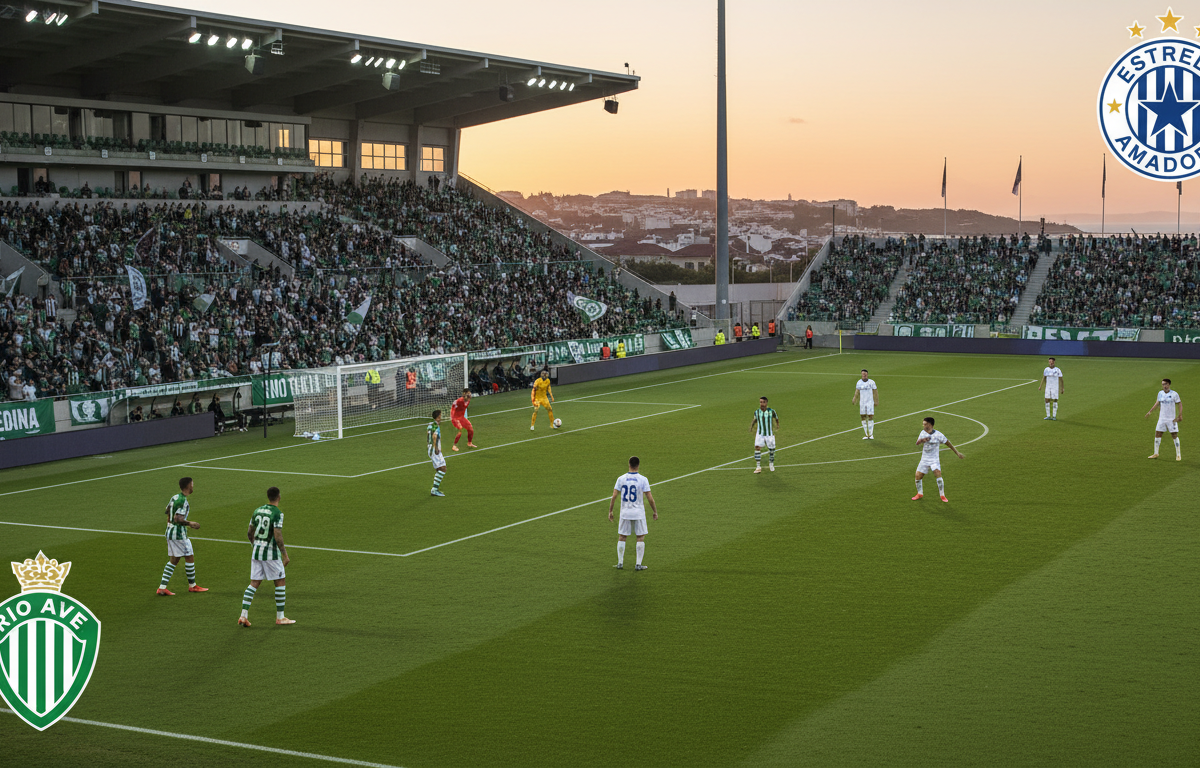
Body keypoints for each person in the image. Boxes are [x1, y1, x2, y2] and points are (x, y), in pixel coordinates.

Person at [238, 486, 293, 627]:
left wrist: (255, 546)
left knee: (254, 583)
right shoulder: (277, 513)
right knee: (280, 581)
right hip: (271, 553)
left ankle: (243, 615)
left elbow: (249, 532)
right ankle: (280, 617)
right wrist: (284, 554)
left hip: (256, 552)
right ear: (279, 497)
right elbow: (278, 535)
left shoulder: (257, 511)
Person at [156, 476, 208, 596]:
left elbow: (167, 510)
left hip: (170, 532)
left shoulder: (175, 497)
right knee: (189, 556)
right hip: (179, 535)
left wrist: (169, 524)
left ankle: (162, 588)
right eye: (192, 484)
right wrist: (190, 523)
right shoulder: (183, 501)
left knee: (174, 560)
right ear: (188, 486)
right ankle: (192, 586)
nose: (193, 486)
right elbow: (178, 518)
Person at [609, 455, 657, 571]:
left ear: (629, 464)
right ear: (638, 465)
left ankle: (620, 563)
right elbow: (650, 498)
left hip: (625, 512)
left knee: (622, 536)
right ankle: (638, 564)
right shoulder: (643, 479)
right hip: (638, 513)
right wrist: (654, 511)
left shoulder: (621, 479)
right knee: (640, 537)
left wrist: (610, 510)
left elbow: (614, 496)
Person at [913, 416, 964, 502]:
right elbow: (917, 443)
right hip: (924, 459)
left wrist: (957, 453)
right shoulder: (922, 433)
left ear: (930, 425)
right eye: (923, 424)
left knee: (937, 473)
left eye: (925, 424)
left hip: (934, 459)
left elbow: (948, 444)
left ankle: (942, 495)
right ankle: (919, 493)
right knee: (918, 476)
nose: (923, 425)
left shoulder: (938, 435)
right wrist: (922, 440)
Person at [1145, 378, 1182, 460]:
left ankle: (1178, 454)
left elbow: (1179, 403)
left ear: (1169, 385)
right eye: (1163, 384)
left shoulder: (1174, 394)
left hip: (1171, 419)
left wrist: (1180, 415)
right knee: (1157, 434)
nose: (1164, 386)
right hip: (1162, 419)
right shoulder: (1160, 393)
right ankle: (1156, 453)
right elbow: (1157, 403)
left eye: (1165, 384)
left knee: (1174, 435)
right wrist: (1150, 411)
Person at [750, 396, 780, 473]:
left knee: (772, 449)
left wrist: (777, 425)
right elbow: (755, 419)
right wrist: (751, 427)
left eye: (763, 402)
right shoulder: (757, 412)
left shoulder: (771, 411)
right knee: (757, 447)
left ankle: (771, 463)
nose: (761, 404)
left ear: (766, 403)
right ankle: (758, 467)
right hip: (760, 434)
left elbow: (776, 418)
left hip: (769, 434)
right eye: (760, 402)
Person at [852, 369, 878, 439]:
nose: (864, 375)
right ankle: (867, 435)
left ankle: (871, 434)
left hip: (870, 402)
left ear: (867, 374)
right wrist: (854, 398)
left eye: (865, 374)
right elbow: (857, 391)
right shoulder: (859, 382)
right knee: (863, 417)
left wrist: (876, 400)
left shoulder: (871, 382)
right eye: (863, 374)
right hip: (862, 402)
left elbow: (875, 392)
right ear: (861, 375)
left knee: (870, 416)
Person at [428, 409, 448, 496]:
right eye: (441, 416)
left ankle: (435, 488)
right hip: (434, 450)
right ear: (438, 417)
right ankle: (434, 489)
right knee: (443, 469)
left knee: (438, 469)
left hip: (429, 449)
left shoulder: (430, 424)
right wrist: (436, 448)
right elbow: (434, 437)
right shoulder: (436, 426)